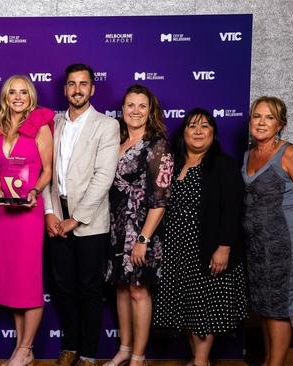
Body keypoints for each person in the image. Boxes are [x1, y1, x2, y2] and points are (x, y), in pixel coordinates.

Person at [154, 109, 247, 366]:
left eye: (204, 126)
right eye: (192, 126)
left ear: (213, 134)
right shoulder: (175, 164)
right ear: (183, 133)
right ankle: (200, 359)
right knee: (188, 307)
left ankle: (200, 361)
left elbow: (232, 209)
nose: (197, 131)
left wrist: (224, 247)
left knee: (203, 309)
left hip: (206, 248)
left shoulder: (222, 165)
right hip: (177, 249)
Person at [42, 64, 119, 366]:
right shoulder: (54, 123)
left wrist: (77, 217)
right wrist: (49, 212)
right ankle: (70, 345)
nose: (77, 89)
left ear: (92, 89)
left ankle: (88, 352)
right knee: (63, 286)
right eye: (72, 84)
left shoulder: (106, 125)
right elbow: (46, 173)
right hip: (56, 217)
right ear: (65, 89)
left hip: (90, 222)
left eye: (83, 84)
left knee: (89, 288)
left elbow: (104, 176)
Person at [242, 96, 293, 366]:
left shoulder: (290, 154)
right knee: (265, 307)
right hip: (255, 245)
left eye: (269, 117)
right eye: (257, 116)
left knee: (278, 309)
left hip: (283, 244)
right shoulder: (248, 154)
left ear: (280, 125)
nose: (261, 122)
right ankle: (268, 361)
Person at [0, 75, 54, 366]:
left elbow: (47, 170)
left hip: (29, 212)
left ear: (31, 95)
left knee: (29, 279)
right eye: (12, 91)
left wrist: (35, 191)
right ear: (5, 96)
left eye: (23, 91)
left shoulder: (40, 124)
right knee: (13, 279)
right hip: (5, 214)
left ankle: (26, 347)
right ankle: (21, 349)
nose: (17, 96)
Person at [104, 84, 173, 366]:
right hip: (115, 226)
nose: (135, 111)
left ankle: (138, 357)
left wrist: (143, 239)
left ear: (150, 110)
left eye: (142, 106)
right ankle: (124, 348)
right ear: (122, 110)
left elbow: (161, 198)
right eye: (130, 105)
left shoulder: (158, 145)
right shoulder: (116, 141)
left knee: (138, 290)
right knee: (122, 287)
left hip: (142, 229)